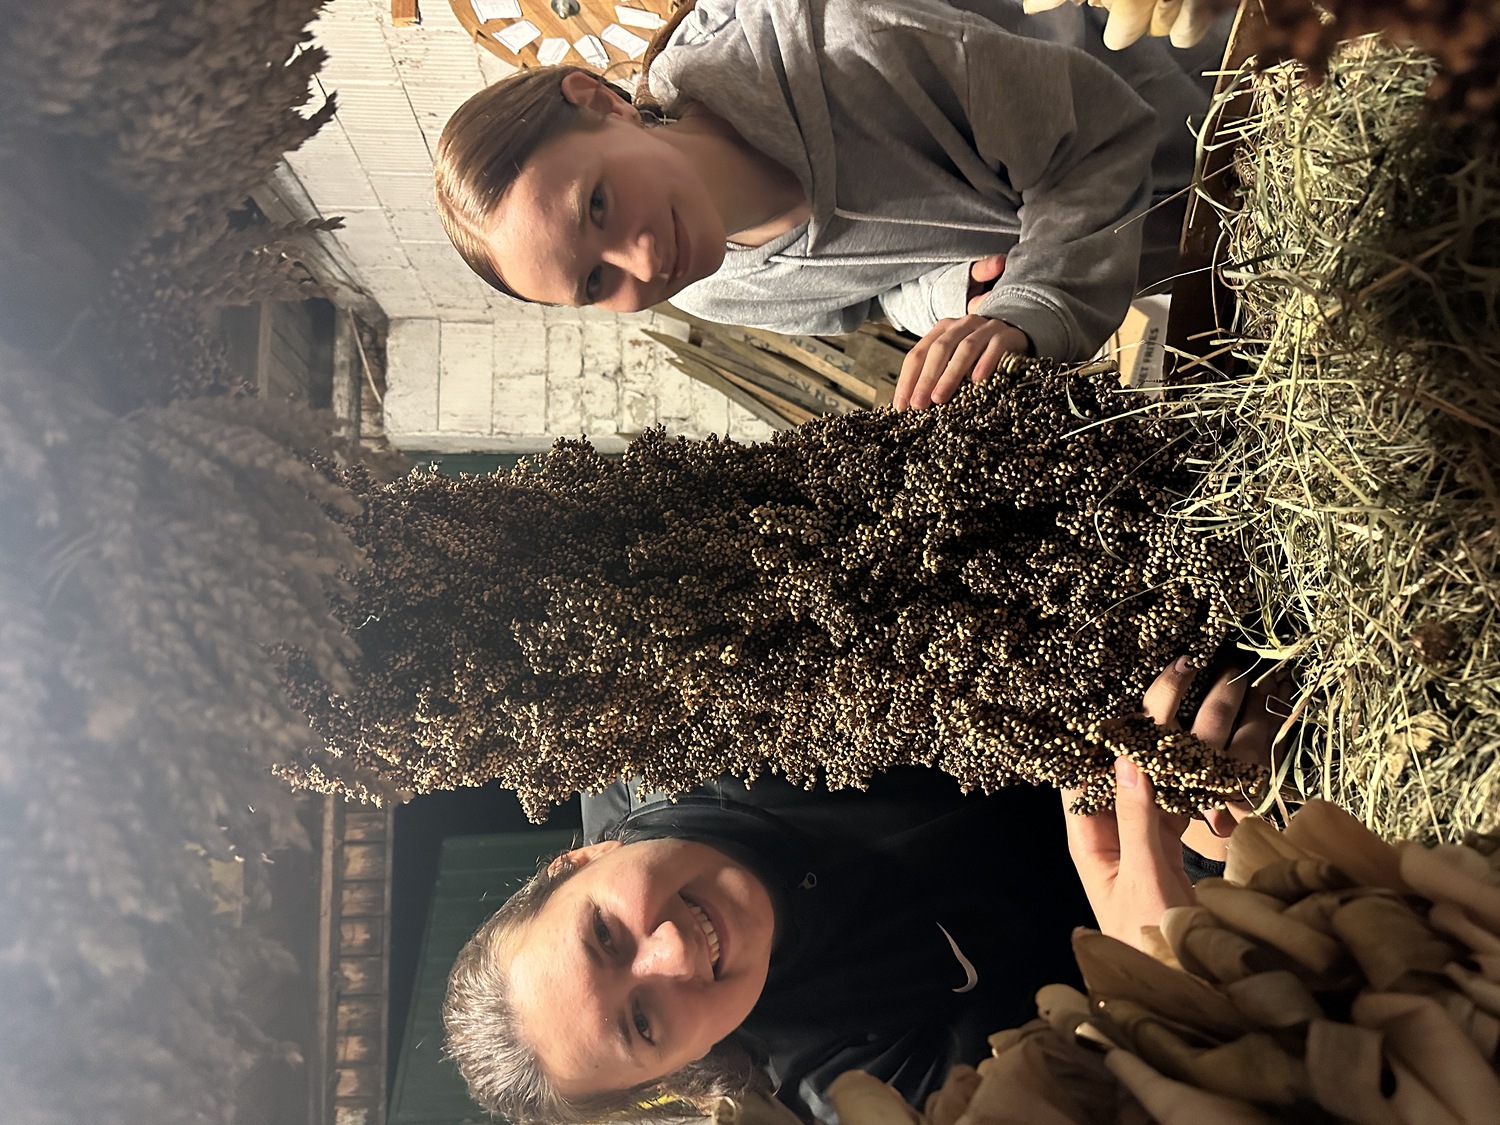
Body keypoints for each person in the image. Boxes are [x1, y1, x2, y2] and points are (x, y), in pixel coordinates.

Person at [442, 659, 1276, 1125]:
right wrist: (1182, 911)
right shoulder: (859, 1087)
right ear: (680, 1064)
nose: (671, 951)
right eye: (644, 1022)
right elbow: (1114, 1067)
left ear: (577, 860)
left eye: (605, 934)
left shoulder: (668, 704)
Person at [433, 0, 1229, 411]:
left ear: (601, 103)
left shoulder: (841, 40)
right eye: (595, 283)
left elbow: (1101, 135)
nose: (640, 261)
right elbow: (868, 300)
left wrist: (1035, 305)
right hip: (1207, 246)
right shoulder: (709, 284)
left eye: (599, 205)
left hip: (1233, 97)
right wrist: (953, 296)